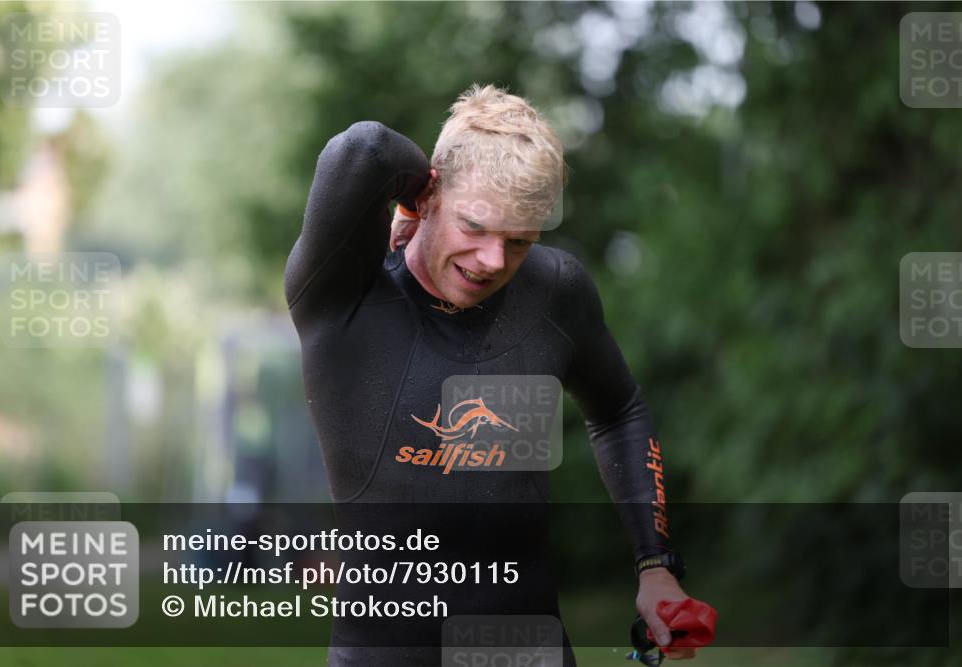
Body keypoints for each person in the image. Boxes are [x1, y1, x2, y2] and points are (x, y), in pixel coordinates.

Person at [285, 83, 699, 665]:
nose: (494, 261)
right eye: (474, 226)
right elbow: (366, 148)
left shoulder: (554, 293)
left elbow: (618, 411)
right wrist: (412, 193)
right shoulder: (345, 297)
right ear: (429, 196)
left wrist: (655, 564)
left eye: (520, 241)